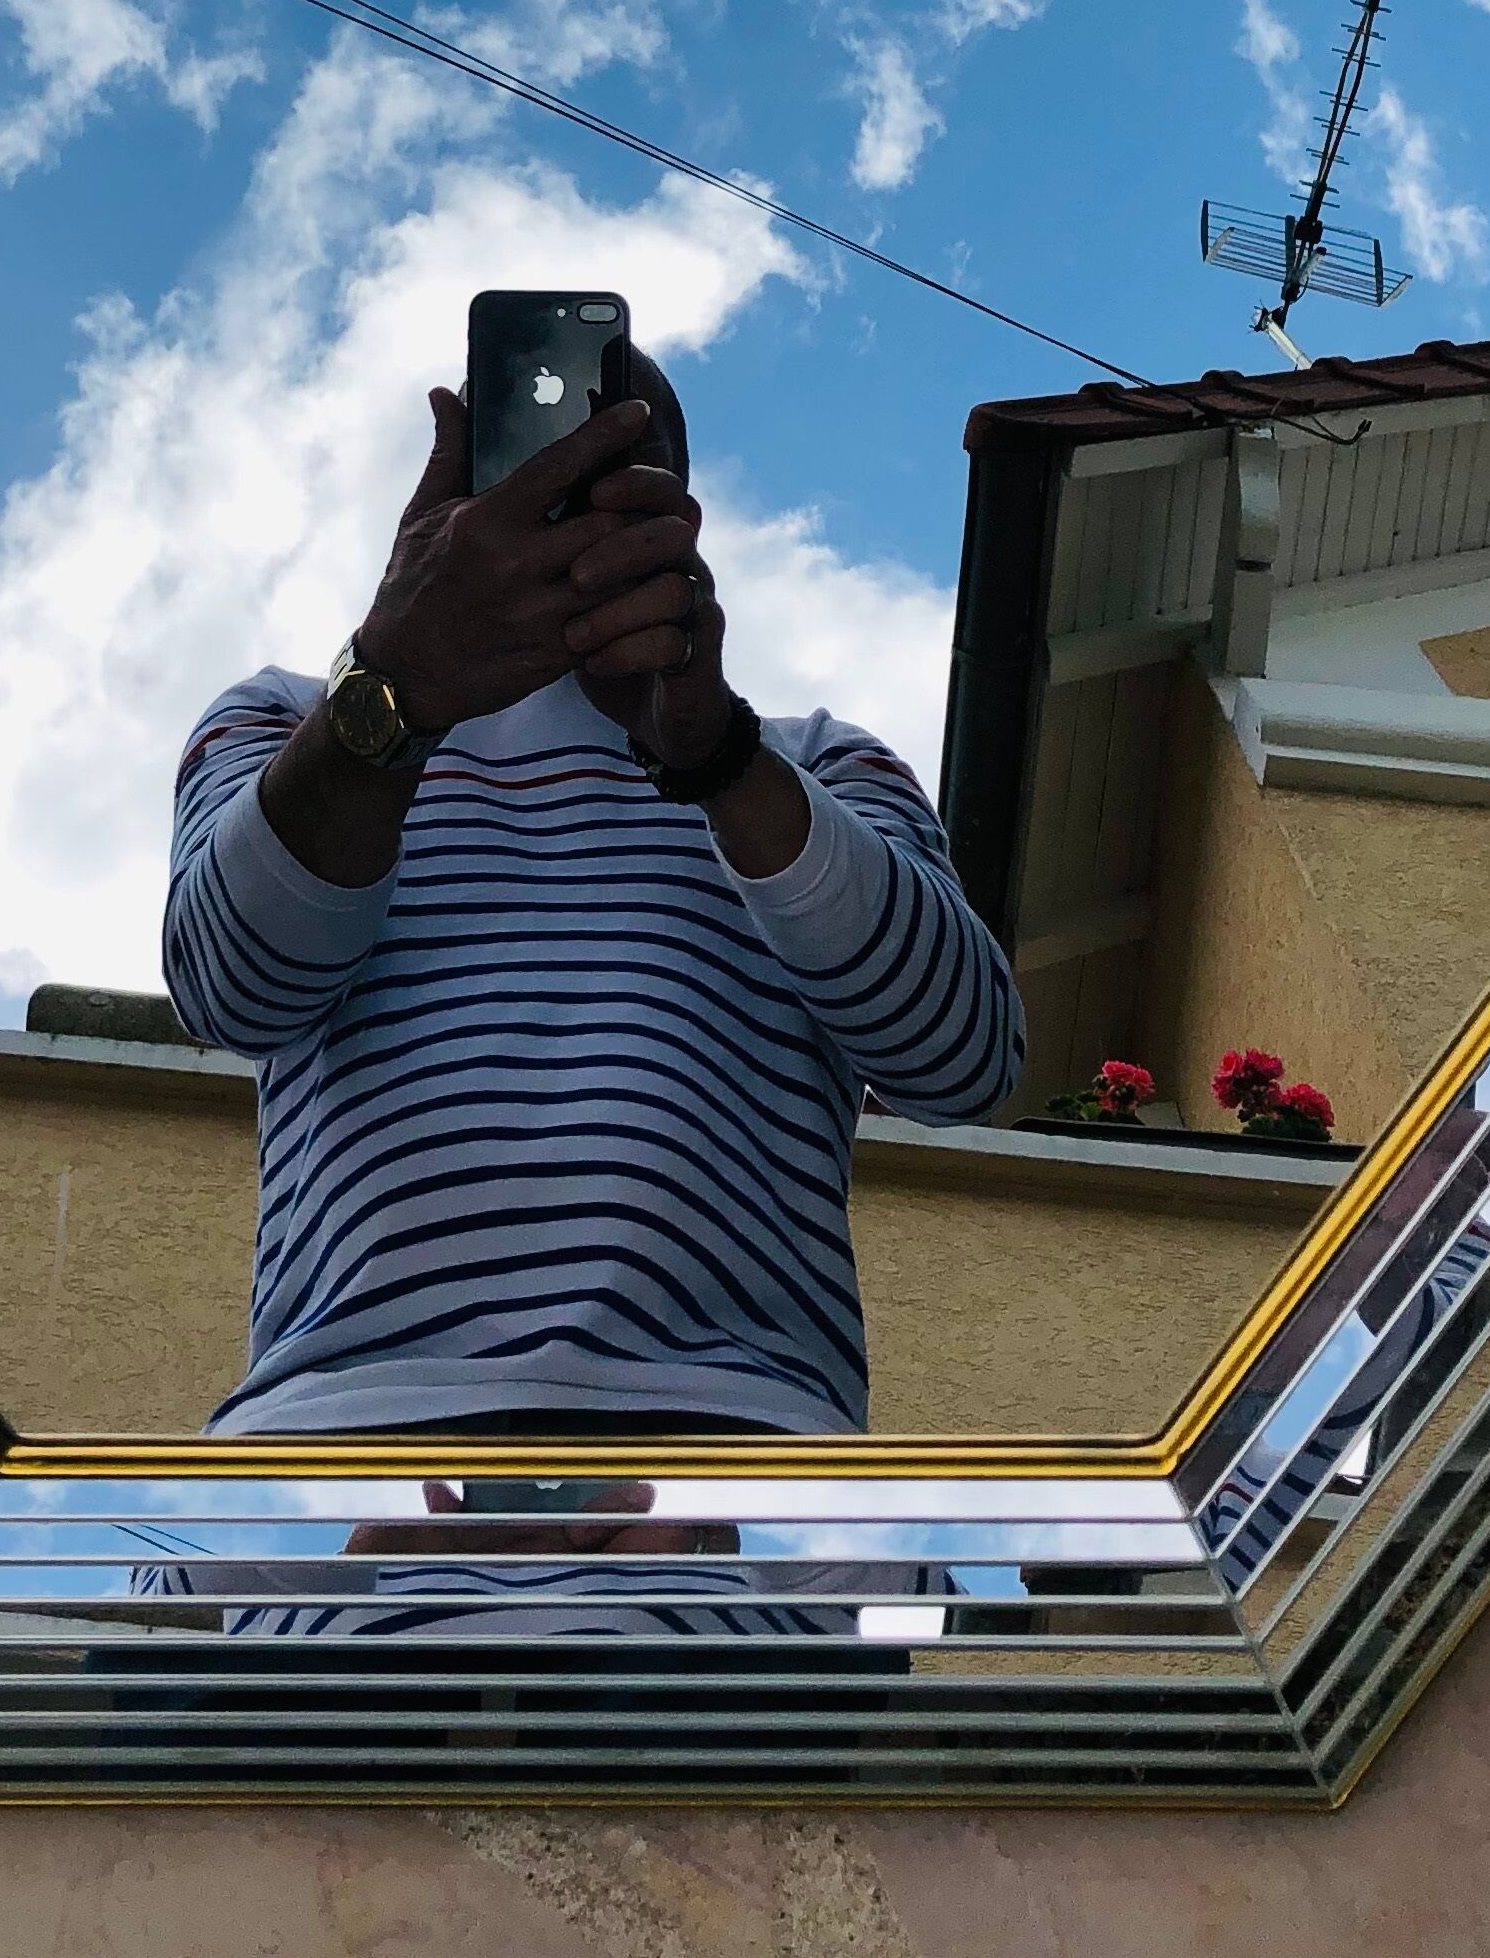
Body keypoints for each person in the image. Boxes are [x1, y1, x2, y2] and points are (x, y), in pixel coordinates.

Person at [162, 354, 1025, 1445]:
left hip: (734, 1449)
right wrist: (394, 685)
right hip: (346, 1439)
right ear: (454, 496)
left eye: (615, 463)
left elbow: (963, 1058)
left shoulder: (816, 765)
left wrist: (713, 756)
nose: (567, 499)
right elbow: (231, 989)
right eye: (533, 465)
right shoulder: (290, 721)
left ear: (680, 510)